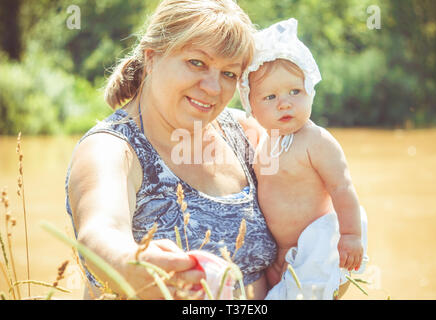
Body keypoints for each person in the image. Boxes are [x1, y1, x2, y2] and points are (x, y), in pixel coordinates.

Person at [65, 0, 277, 300]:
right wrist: (129, 264)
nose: (214, 88)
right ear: (151, 58)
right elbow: (99, 232)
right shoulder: (111, 148)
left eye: (229, 73)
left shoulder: (246, 133)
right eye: (197, 63)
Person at [239, 18, 369, 300]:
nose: (284, 103)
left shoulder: (316, 141)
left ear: (310, 89)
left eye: (294, 92)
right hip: (281, 251)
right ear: (250, 105)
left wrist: (350, 236)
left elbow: (342, 188)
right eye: (270, 97)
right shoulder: (264, 141)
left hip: (317, 245)